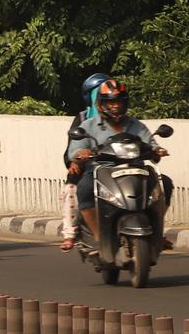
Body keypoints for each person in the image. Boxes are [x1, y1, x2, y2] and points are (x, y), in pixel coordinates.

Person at [67, 79, 172, 247]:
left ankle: (157, 232)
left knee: (164, 184)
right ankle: (98, 236)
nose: (115, 106)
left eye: (119, 102)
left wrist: (157, 150)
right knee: (85, 189)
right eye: (110, 102)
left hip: (135, 171)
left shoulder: (136, 125)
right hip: (101, 171)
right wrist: (82, 153)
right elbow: (75, 150)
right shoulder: (89, 125)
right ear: (101, 104)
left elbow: (151, 144)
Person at [59, 73, 109, 251]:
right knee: (72, 187)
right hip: (90, 166)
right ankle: (70, 232)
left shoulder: (123, 118)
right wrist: (75, 160)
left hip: (118, 165)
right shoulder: (82, 120)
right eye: (99, 95)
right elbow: (71, 148)